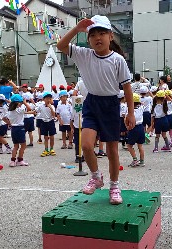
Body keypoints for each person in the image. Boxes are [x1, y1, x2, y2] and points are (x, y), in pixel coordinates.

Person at [57, 15, 135, 204]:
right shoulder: (84, 54)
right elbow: (60, 45)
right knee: (85, 145)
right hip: (91, 103)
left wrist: (130, 113)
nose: (98, 38)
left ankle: (114, 186)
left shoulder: (118, 60)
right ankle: (96, 177)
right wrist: (77, 29)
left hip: (110, 105)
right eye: (93, 35)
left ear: (110, 36)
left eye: (102, 33)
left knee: (112, 150)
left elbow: (127, 88)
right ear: (88, 39)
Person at [3, 94, 32, 167]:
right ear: (18, 103)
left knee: (16, 146)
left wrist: (9, 123)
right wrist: (25, 102)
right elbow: (29, 108)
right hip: (20, 128)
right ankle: (20, 159)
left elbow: (4, 118)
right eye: (21, 102)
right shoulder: (19, 110)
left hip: (13, 128)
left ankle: (12, 161)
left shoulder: (10, 111)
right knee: (23, 145)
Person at [127, 93, 145, 167]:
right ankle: (142, 161)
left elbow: (127, 119)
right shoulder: (141, 108)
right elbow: (142, 104)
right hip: (141, 127)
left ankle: (135, 160)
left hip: (133, 127)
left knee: (129, 146)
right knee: (140, 146)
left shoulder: (130, 111)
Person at [37, 92, 57, 157]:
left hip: (50, 121)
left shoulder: (52, 106)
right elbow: (36, 111)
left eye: (50, 98)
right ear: (44, 99)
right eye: (47, 98)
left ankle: (51, 149)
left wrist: (50, 108)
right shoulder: (41, 106)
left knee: (52, 136)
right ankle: (46, 149)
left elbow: (54, 115)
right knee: (45, 137)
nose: (48, 100)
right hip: (44, 122)